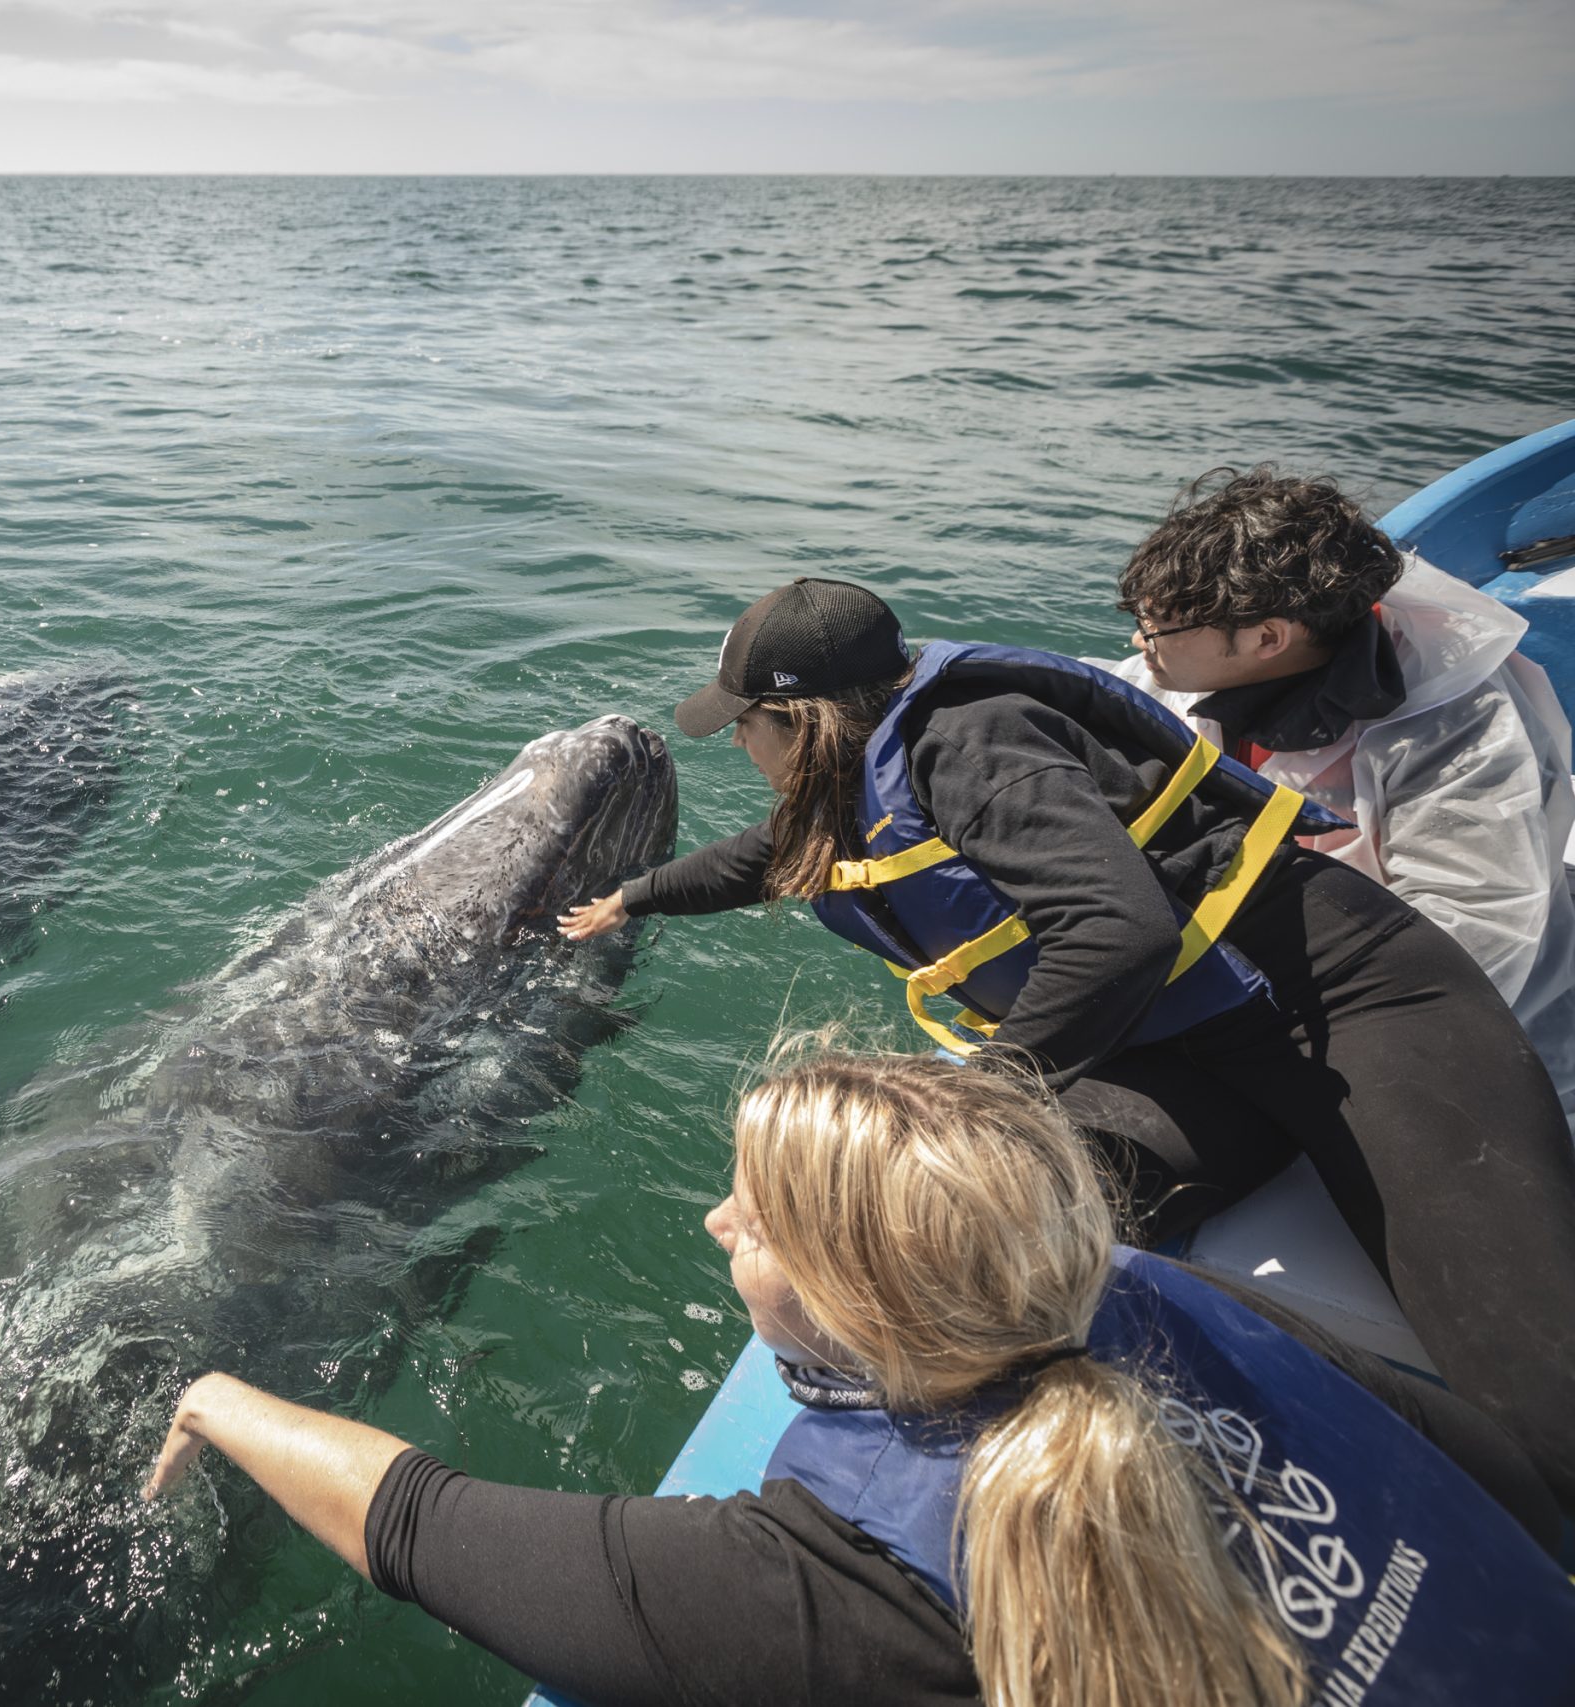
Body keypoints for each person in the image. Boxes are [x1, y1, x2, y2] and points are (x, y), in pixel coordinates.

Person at [553, 576, 1575, 1510]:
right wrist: (631, 898)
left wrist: (982, 1097)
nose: (738, 746)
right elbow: (770, 858)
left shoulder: (972, 744)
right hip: (1173, 1058)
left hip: (1339, 1013)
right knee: (954, 1242)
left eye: (744, 726)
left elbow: (1119, 931)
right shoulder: (868, 768)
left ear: (801, 717)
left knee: (1542, 1411)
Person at [143, 1048, 1575, 1707]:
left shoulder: (849, 1571)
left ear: (851, 1306)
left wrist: (214, 1394)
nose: (717, 1223)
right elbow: (1482, 1470)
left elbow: (417, 1524)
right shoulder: (1134, 1287)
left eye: (752, 1218)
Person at [1108, 465, 1575, 1118]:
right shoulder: (1213, 657)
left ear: (1268, 639)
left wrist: (1273, 1030)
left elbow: (1472, 934)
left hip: (1461, 1031)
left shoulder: (1462, 734)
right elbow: (1117, 692)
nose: (1138, 641)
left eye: (1154, 629)